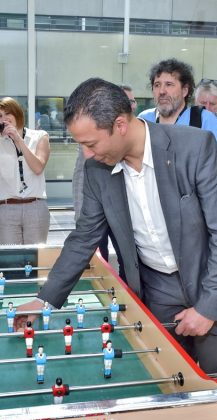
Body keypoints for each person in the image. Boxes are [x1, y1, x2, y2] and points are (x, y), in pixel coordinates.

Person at [19, 78, 217, 375]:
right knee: (167, 382)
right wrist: (44, 300)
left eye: (91, 144)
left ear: (120, 124)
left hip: (215, 282)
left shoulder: (195, 147)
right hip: (156, 290)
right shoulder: (97, 170)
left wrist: (208, 308)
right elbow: (84, 238)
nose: (87, 155)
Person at [138, 59, 217, 173]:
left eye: (169, 84)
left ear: (185, 91)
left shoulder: (203, 120)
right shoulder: (144, 119)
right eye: (157, 85)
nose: (162, 91)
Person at [72, 86, 132, 279]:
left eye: (131, 103)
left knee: (128, 261)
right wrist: (81, 214)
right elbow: (80, 178)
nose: (88, 151)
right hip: (98, 214)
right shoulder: (93, 141)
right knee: (99, 258)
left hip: (125, 215)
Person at [0, 97, 51, 245]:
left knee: (35, 260)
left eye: (7, 114)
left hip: (35, 207)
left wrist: (18, 139)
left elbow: (38, 167)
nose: (4, 119)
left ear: (17, 113)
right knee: (11, 261)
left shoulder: (40, 137)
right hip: (6, 208)